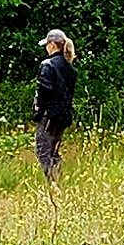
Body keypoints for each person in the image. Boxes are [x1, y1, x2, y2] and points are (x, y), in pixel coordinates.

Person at [33, 28, 78, 187]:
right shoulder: (70, 68)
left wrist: (38, 111)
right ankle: (59, 180)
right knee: (54, 151)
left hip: (49, 115)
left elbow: (44, 90)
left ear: (52, 45)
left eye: (47, 44)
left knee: (43, 150)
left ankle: (53, 184)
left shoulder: (48, 65)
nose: (46, 48)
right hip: (63, 116)